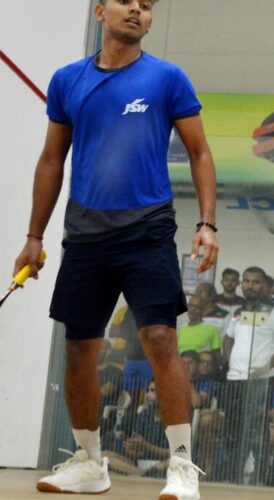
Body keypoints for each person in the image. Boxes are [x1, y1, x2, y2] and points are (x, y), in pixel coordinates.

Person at [22, 1, 219, 495]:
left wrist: (207, 223)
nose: (136, 10)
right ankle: (90, 464)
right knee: (80, 348)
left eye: (147, 5)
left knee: (158, 339)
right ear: (99, 13)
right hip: (85, 232)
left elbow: (199, 151)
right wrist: (33, 238)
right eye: (127, 1)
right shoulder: (68, 80)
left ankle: (180, 465)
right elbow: (51, 160)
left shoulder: (167, 78)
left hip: (148, 228)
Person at [221, 266, 274, 484]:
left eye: (256, 282)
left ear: (264, 285)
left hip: (260, 381)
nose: (250, 285)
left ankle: (258, 478)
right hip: (235, 378)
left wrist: (268, 366)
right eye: (247, 281)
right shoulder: (236, 310)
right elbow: (228, 337)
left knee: (256, 430)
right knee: (232, 429)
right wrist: (229, 358)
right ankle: (233, 477)